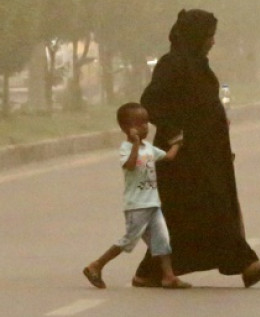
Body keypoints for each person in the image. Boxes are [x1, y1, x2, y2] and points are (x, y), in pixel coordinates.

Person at [132, 9, 260, 289]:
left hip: (207, 155)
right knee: (201, 211)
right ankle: (246, 264)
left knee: (203, 212)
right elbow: (150, 101)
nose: (212, 42)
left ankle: (151, 271)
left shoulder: (198, 64)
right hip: (183, 158)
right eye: (209, 36)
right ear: (196, 36)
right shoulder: (172, 64)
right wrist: (175, 131)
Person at [82, 102, 192, 290]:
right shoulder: (126, 148)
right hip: (136, 205)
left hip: (153, 203)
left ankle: (168, 276)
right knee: (129, 240)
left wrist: (177, 144)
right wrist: (134, 145)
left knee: (162, 240)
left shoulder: (149, 148)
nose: (145, 127)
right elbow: (130, 165)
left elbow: (167, 157)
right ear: (127, 128)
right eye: (139, 123)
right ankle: (96, 265)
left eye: (146, 122)